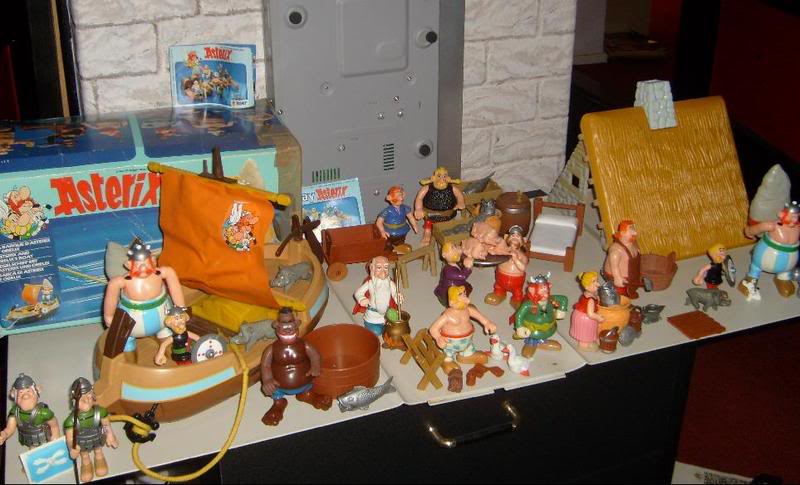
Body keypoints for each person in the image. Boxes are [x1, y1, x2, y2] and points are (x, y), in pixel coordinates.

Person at [103, 238, 186, 352]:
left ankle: (162, 331)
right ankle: (129, 339)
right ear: (128, 265)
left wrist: (180, 307)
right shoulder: (122, 281)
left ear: (153, 261)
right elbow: (112, 295)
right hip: (131, 322)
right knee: (127, 344)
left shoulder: (162, 273)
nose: (143, 268)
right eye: (138, 265)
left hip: (163, 316)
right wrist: (109, 316)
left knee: (166, 334)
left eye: (146, 263)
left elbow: (173, 282)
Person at [260, 308, 331, 426]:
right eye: (284, 324)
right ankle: (279, 403)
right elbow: (265, 365)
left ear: (297, 323)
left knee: (307, 390)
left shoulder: (304, 345)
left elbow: (315, 355)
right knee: (275, 392)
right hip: (279, 386)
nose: (288, 329)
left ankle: (307, 395)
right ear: (276, 325)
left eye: (290, 323)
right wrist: (267, 380)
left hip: (304, 383)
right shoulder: (271, 349)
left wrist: (315, 366)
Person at [429, 286, 497, 392]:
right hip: (450, 345)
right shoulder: (447, 315)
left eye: (464, 294)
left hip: (467, 342)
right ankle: (449, 363)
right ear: (452, 300)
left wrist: (487, 323)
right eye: (461, 295)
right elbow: (433, 329)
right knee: (448, 360)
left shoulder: (467, 310)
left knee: (475, 354)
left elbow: (480, 317)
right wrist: (438, 338)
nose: (465, 297)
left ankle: (466, 355)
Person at [739, 201, 800, 300]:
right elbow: (756, 228)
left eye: (797, 216)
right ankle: (751, 278)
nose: (795, 219)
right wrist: (749, 232)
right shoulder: (772, 225)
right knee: (756, 267)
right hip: (765, 256)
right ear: (782, 214)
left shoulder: (798, 226)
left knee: (785, 273)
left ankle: (783, 278)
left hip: (789, 261)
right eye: (792, 216)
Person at [64, 378, 118, 483]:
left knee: (98, 450)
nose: (86, 400)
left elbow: (106, 425)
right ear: (74, 400)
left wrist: (111, 436)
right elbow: (70, 438)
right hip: (82, 443)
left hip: (98, 439)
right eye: (82, 398)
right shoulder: (71, 421)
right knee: (84, 455)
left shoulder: (100, 412)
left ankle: (99, 457)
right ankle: (86, 462)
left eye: (89, 396)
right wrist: (72, 448)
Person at [0, 374, 60, 449]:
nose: (25, 395)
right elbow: (10, 428)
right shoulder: (15, 412)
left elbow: (54, 425)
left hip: (46, 442)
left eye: (28, 391)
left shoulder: (43, 412)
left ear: (36, 391)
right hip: (31, 444)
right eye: (21, 392)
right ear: (14, 395)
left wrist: (55, 441)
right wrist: (4, 435)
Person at [513, 274, 566, 358]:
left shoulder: (550, 299)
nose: (545, 295)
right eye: (542, 291)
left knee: (544, 335)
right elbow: (519, 315)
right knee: (533, 339)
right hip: (533, 329)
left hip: (548, 327)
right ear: (533, 291)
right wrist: (520, 327)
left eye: (546, 291)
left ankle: (541, 342)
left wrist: (562, 309)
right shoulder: (529, 305)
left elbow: (563, 299)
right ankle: (531, 344)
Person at [414, 167, 466, 245]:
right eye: (439, 176)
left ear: (448, 177)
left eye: (444, 176)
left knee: (448, 225)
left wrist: (461, 202)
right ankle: (427, 233)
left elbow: (459, 195)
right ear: (434, 177)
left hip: (448, 213)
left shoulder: (452, 188)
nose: (442, 179)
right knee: (429, 223)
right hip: (430, 212)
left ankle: (448, 232)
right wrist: (418, 209)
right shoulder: (427, 188)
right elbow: (419, 198)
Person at [353, 256, 403, 337]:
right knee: (376, 331)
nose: (383, 271)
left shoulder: (389, 282)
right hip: (373, 316)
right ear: (372, 268)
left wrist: (397, 297)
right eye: (379, 267)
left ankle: (388, 329)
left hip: (387, 313)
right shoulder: (370, 283)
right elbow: (358, 293)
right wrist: (362, 298)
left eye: (385, 267)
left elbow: (395, 293)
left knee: (397, 325)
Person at [485, 225, 529, 308]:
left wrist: (516, 258)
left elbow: (523, 268)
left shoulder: (522, 256)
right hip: (501, 278)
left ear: (524, 240)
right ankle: (499, 294)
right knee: (498, 287)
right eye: (512, 235)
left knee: (517, 292)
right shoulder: (502, 250)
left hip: (516, 281)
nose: (515, 237)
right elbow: (494, 256)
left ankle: (516, 299)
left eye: (518, 236)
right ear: (506, 237)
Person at [603, 220, 643, 299]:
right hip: (619, 278)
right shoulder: (616, 250)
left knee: (629, 291)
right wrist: (617, 277)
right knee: (620, 294)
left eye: (633, 230)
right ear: (622, 233)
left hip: (631, 277)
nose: (635, 233)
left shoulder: (633, 245)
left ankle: (629, 295)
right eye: (630, 231)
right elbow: (614, 267)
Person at [376, 186, 418, 254]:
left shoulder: (405, 208)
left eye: (401, 195)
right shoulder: (387, 211)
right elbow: (379, 222)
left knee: (401, 240)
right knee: (388, 243)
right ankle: (389, 251)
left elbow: (411, 217)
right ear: (390, 198)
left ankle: (400, 249)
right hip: (390, 231)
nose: (401, 198)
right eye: (398, 196)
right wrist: (382, 231)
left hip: (402, 229)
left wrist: (415, 225)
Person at [569, 272, 605, 351]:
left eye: (597, 281)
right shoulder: (590, 299)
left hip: (583, 316)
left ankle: (590, 341)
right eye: (594, 282)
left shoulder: (591, 295)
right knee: (585, 333)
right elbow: (590, 314)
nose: (598, 284)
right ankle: (583, 346)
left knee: (589, 331)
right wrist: (599, 318)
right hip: (585, 318)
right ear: (587, 286)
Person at [433, 242, 473, 306]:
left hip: (457, 286)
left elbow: (460, 271)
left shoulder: (455, 264)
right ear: (444, 255)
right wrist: (467, 268)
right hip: (450, 294)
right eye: (452, 248)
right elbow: (462, 276)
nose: (456, 250)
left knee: (467, 288)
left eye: (455, 246)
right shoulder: (448, 271)